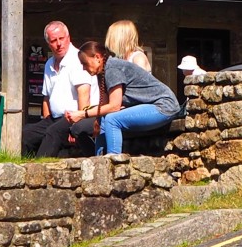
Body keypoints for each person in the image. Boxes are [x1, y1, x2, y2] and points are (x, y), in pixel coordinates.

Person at [78, 41, 182, 155]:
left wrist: (82, 114)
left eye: (84, 63)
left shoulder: (112, 68)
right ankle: (98, 162)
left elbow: (114, 107)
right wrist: (97, 119)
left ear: (97, 57)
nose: (83, 68)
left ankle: (113, 161)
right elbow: (105, 107)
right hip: (153, 106)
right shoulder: (102, 71)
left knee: (112, 119)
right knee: (103, 120)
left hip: (164, 106)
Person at [21, 20, 101, 157]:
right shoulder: (48, 64)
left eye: (61, 38)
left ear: (68, 38)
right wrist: (46, 121)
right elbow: (46, 98)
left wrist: (78, 127)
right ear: (48, 43)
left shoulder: (77, 60)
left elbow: (84, 95)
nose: (59, 44)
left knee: (53, 132)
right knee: (25, 133)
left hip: (76, 117)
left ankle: (39, 173)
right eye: (54, 40)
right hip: (54, 118)